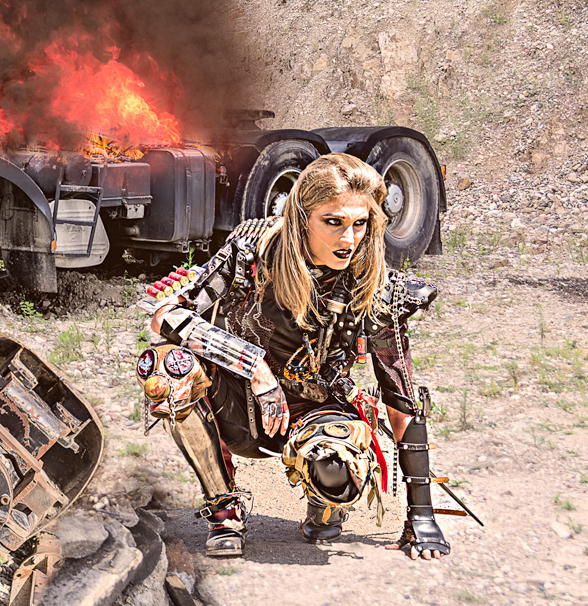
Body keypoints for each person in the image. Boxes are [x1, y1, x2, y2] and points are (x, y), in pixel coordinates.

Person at [135, 153, 451, 560]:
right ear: (302, 217)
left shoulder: (374, 286)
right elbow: (166, 315)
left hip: (315, 411)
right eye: (333, 222)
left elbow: (401, 397)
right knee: (167, 370)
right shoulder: (252, 251)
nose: (349, 239)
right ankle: (224, 510)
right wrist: (253, 365)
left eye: (360, 223)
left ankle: (325, 502)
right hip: (237, 404)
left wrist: (421, 517)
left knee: (335, 472)